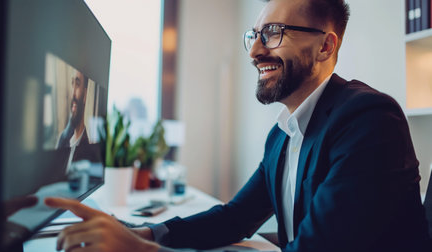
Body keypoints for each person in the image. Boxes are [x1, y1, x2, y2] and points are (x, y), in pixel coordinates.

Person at [46, 0, 432, 251]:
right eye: (255, 35)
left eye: (273, 34)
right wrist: (143, 233)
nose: (254, 51)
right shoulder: (283, 136)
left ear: (325, 47)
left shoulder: (368, 120)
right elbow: (235, 217)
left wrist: (141, 251)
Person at [57, 70, 90, 148]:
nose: (73, 94)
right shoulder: (64, 139)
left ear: (85, 94)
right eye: (72, 83)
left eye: (77, 84)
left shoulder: (86, 145)